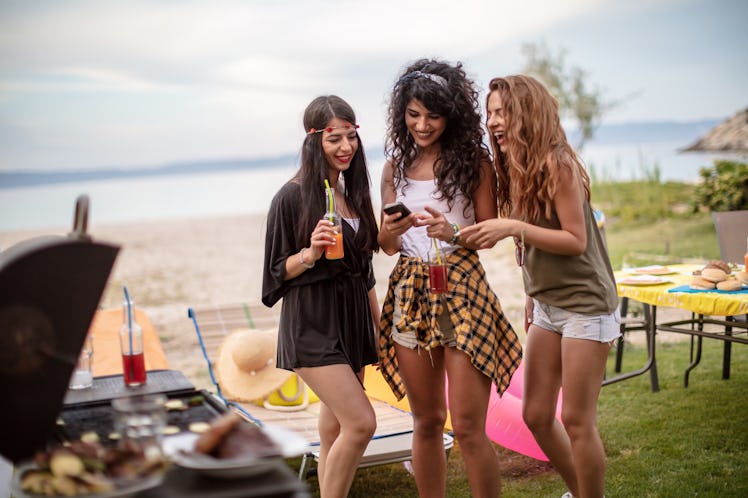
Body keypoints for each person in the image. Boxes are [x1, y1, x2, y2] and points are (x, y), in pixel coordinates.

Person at [459, 75, 620, 498]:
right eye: (490, 113)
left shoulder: (557, 163)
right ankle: (578, 492)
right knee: (535, 413)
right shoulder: (515, 167)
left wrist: (514, 225)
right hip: (548, 306)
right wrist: (531, 292)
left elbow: (575, 240)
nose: (493, 121)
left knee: (578, 421)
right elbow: (529, 241)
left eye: (501, 112)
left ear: (526, 113)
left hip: (587, 305)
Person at [377, 58, 523, 498]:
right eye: (413, 114)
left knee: (467, 425)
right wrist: (391, 231)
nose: (422, 125)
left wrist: (451, 231)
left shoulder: (475, 163)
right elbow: (384, 246)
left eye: (433, 115)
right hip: (409, 291)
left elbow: (490, 233)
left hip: (461, 287)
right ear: (402, 113)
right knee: (424, 421)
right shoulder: (392, 169)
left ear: (451, 114)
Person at [262, 95, 380, 498]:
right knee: (362, 424)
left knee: (334, 430)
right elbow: (275, 274)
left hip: (352, 324)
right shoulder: (291, 197)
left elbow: (365, 273)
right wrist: (310, 254)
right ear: (315, 141)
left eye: (351, 137)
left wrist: (379, 330)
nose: (345, 147)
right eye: (335, 139)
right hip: (312, 326)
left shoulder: (351, 194)